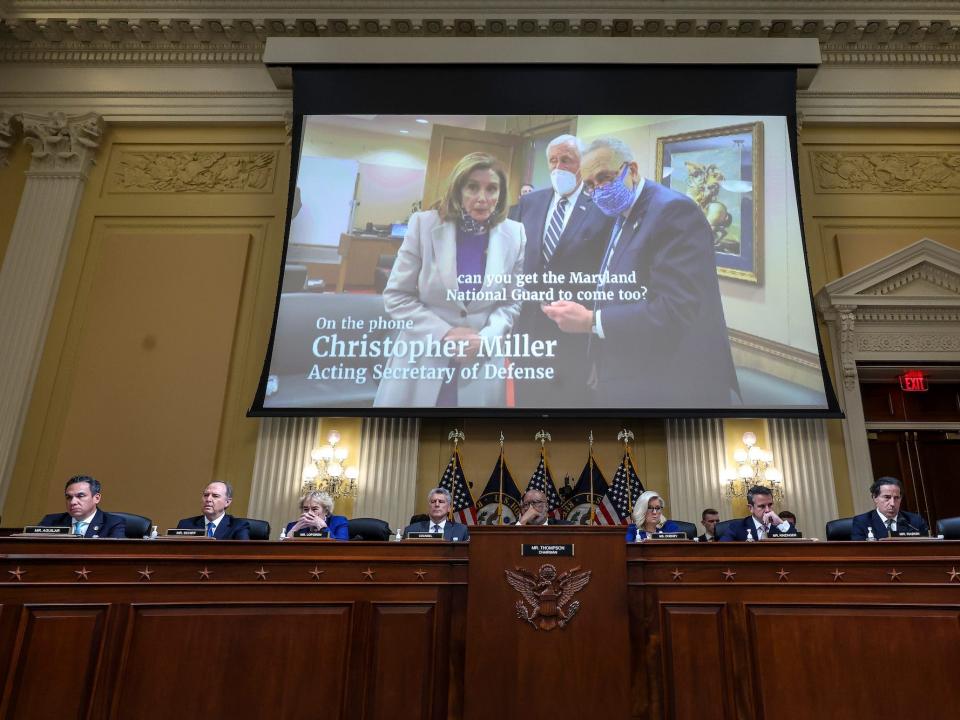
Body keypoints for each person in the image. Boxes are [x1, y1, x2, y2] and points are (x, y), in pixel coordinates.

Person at [541, 136, 740, 407]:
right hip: (625, 369)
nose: (598, 190)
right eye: (589, 185)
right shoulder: (621, 212)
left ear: (632, 170)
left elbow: (673, 308)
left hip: (671, 384)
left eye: (605, 178)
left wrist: (590, 321)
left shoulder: (672, 211)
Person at [374, 152, 526, 407]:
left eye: (492, 189)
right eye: (472, 187)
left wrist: (485, 338)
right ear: (458, 190)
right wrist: (445, 334)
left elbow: (512, 303)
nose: (482, 198)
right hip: (423, 357)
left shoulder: (515, 233)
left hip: (479, 362)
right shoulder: (423, 225)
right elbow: (397, 296)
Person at [510, 135, 611, 407]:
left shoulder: (601, 207)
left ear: (582, 165)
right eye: (553, 160)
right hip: (527, 325)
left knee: (566, 403)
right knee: (524, 399)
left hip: (572, 330)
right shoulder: (530, 204)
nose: (558, 167)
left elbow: (606, 272)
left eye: (566, 160)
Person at [37, 475, 126, 538]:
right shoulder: (51, 521)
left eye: (80, 496)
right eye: (69, 497)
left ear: (96, 498)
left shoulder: (113, 523)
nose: (73, 502)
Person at [851, 476, 929, 540]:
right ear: (875, 498)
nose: (892, 503)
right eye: (887, 497)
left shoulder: (915, 522)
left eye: (896, 498)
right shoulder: (862, 522)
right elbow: (860, 552)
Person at [177, 481, 250, 540]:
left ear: (227, 502)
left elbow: (244, 554)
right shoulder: (185, 524)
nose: (208, 499)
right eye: (206, 495)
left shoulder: (238, 526)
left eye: (215, 496)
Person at [719, 485, 796, 541]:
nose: (767, 510)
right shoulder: (737, 527)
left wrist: (780, 523)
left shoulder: (780, 526)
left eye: (770, 505)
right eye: (762, 506)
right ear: (750, 508)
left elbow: (797, 544)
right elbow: (721, 550)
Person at [403, 487, 470, 541]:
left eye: (441, 502)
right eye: (433, 501)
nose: (437, 504)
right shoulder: (411, 530)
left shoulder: (461, 531)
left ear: (449, 508)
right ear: (428, 507)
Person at [284, 490, 349, 539]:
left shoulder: (339, 522)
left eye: (314, 509)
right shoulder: (292, 526)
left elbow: (341, 546)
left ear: (326, 511)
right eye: (306, 509)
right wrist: (295, 529)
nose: (309, 513)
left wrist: (323, 527)